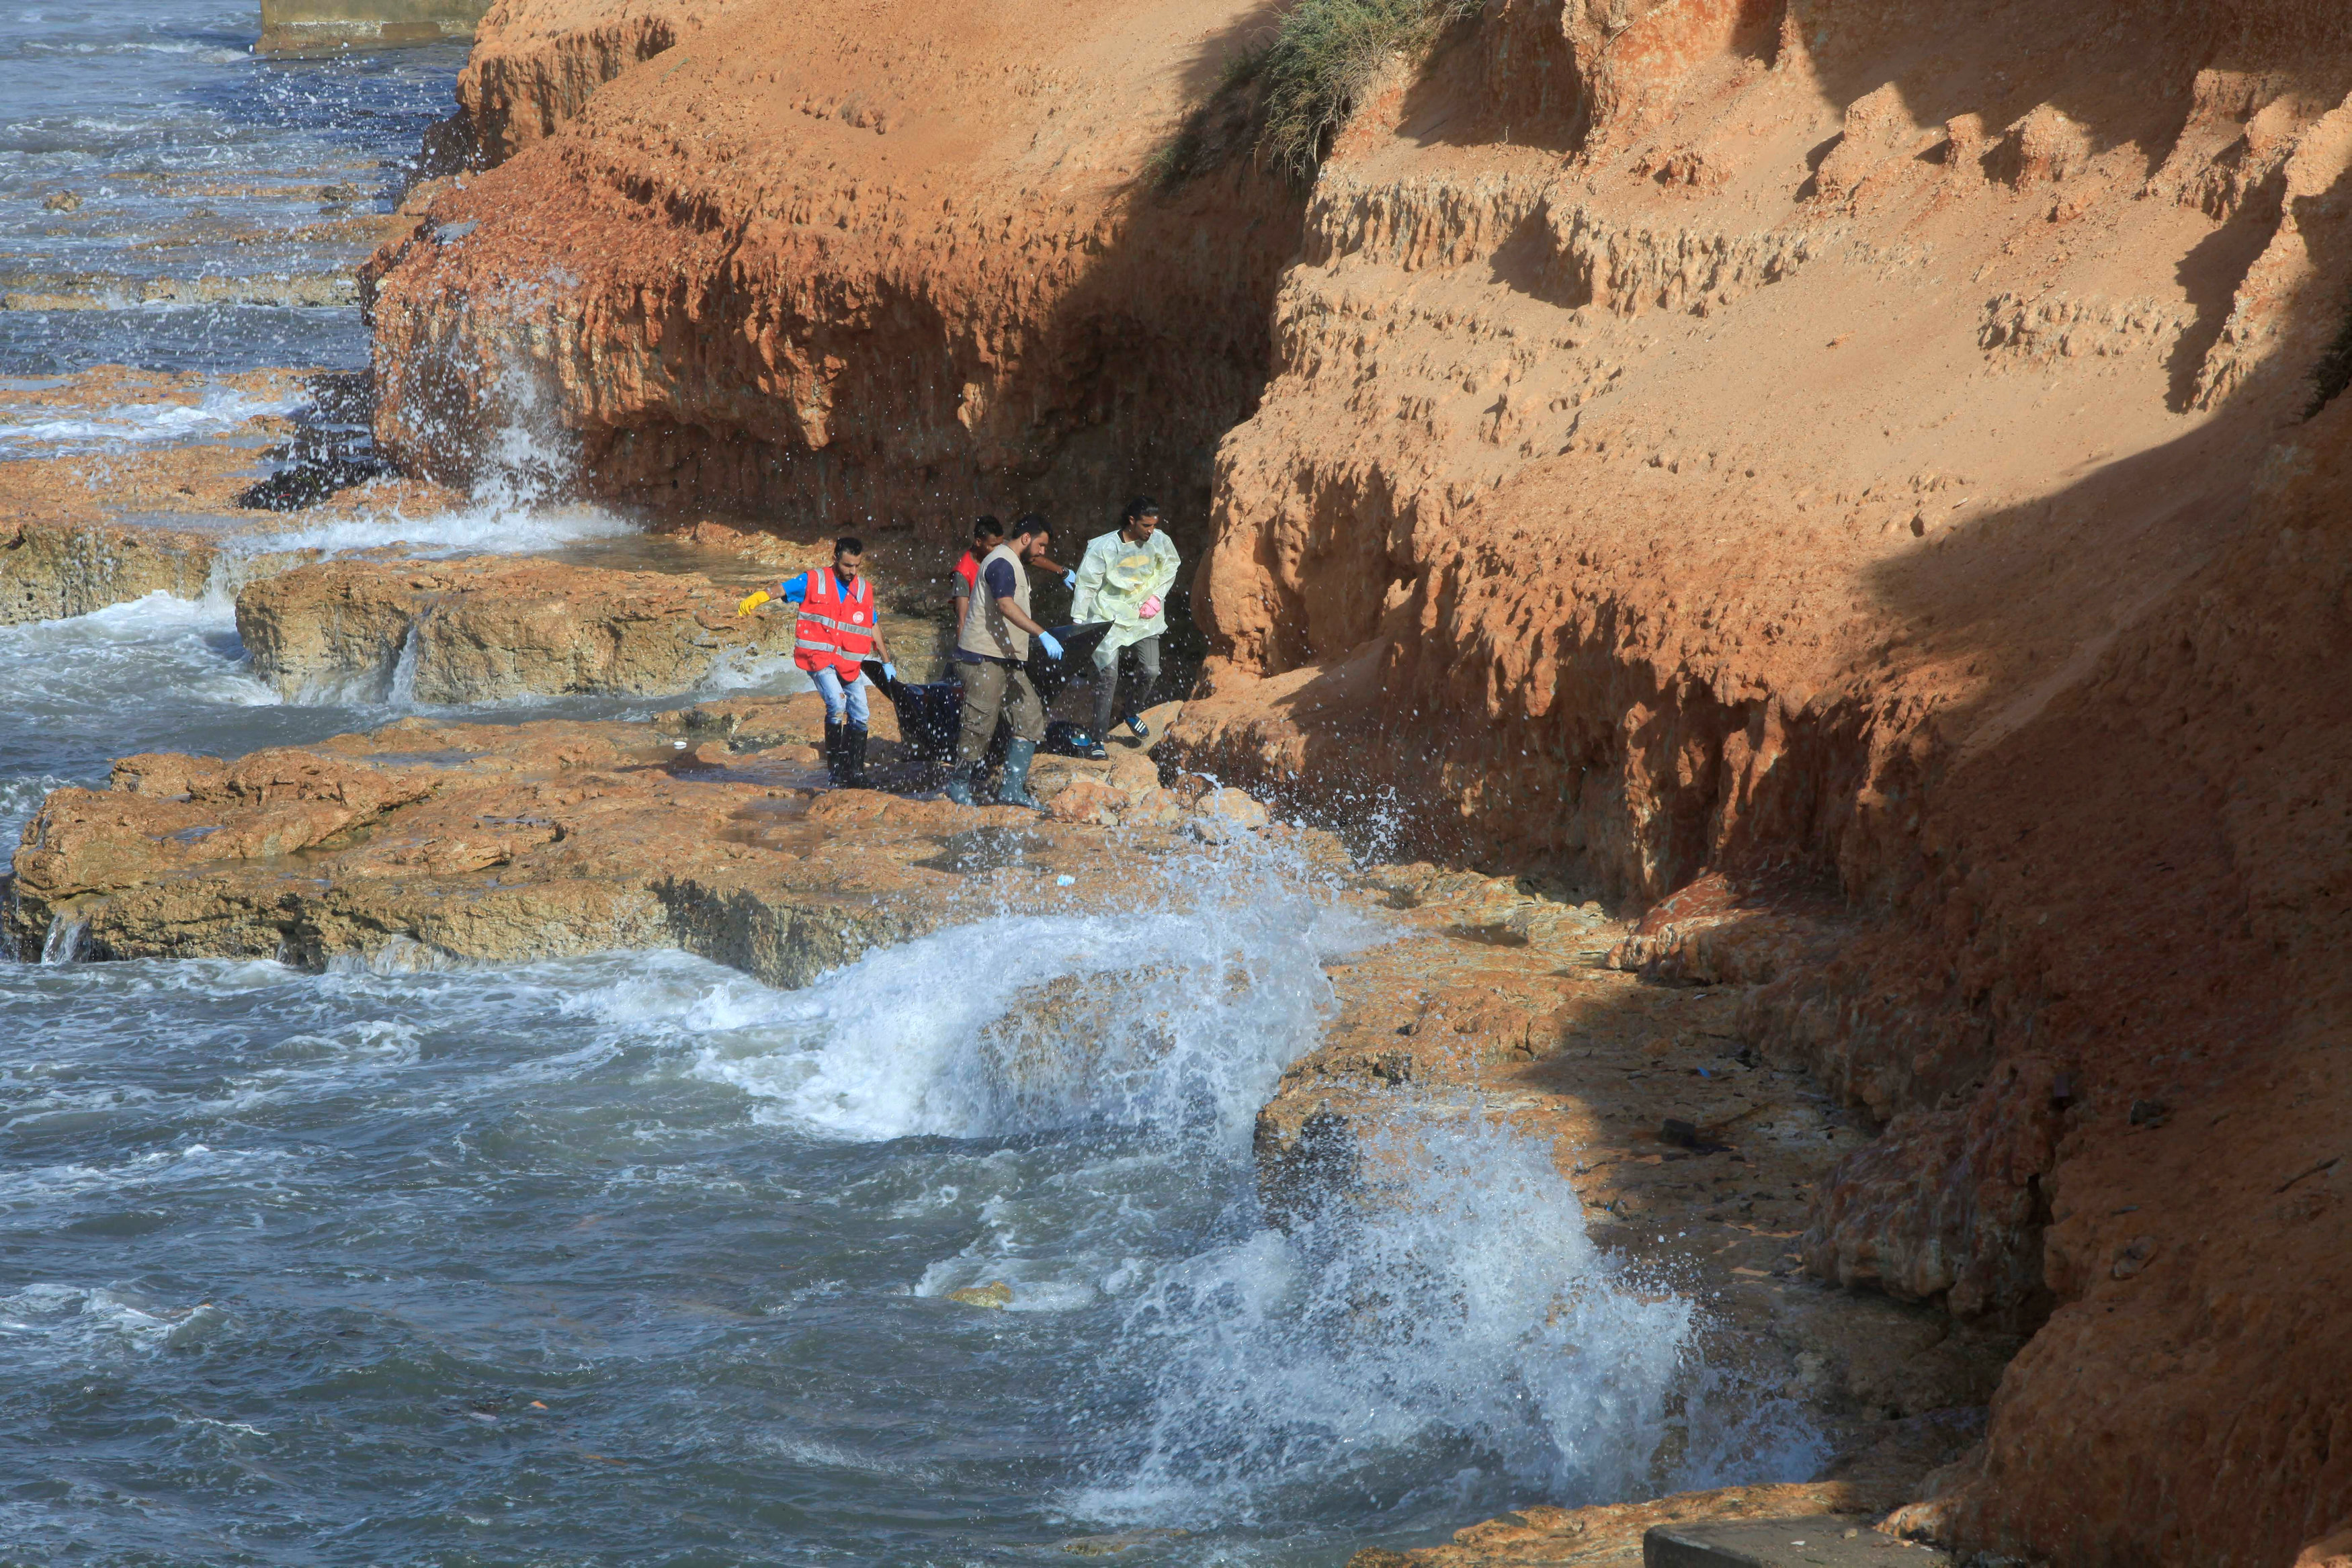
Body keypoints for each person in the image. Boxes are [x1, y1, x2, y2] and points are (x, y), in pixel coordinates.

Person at [736, 535, 894, 788]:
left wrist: (886, 661)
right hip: (819, 659)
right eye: (847, 566)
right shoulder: (814, 580)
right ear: (835, 560)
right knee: (836, 702)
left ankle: (856, 773)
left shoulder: (864, 589)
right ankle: (836, 771)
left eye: (857, 566)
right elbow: (781, 589)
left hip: (848, 662)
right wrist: (758, 598)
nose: (852, 572)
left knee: (862, 712)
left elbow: (872, 623)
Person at [945, 515, 1062, 808]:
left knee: (1030, 716)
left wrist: (1063, 572)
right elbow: (1005, 606)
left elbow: (1032, 568)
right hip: (982, 658)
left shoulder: (1013, 561)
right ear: (1026, 539)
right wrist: (1043, 633)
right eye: (1041, 545)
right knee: (980, 724)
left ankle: (1012, 789)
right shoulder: (1001, 563)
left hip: (1006, 659)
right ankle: (958, 784)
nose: (1043, 551)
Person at [1070, 496, 1179, 756]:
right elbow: (1086, 584)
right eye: (1146, 526)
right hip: (1108, 613)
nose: (1151, 531)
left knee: (1151, 670)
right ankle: (1098, 739)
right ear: (1132, 521)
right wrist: (1078, 622)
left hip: (1144, 613)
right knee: (1108, 677)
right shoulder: (1104, 547)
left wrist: (1157, 597)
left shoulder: (1160, 540)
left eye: (1154, 525)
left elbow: (1171, 566)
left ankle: (1130, 710)